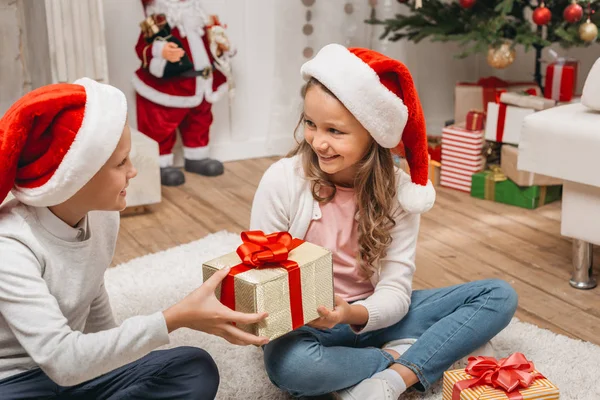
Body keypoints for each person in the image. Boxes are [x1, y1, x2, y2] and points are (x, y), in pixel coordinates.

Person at [249, 44, 518, 399]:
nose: (318, 142)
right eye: (311, 124)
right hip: (309, 327)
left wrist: (351, 313)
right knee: (293, 368)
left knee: (498, 296)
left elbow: (394, 292)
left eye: (335, 131)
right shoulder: (283, 179)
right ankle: (402, 357)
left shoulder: (400, 193)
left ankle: (393, 378)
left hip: (373, 315)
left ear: (373, 134)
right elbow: (261, 272)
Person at [0, 78, 268, 399]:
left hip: (74, 377)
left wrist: (116, 358)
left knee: (193, 367)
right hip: (16, 384)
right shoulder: (11, 247)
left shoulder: (103, 215)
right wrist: (172, 318)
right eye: (120, 163)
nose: (132, 171)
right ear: (76, 177)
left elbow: (91, 288)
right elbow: (64, 361)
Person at [133, 0, 235, 185]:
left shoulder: (200, 19)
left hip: (201, 83)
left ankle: (197, 156)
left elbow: (210, 44)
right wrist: (160, 51)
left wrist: (220, 48)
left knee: (200, 121)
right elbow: (142, 49)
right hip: (170, 87)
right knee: (161, 126)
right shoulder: (158, 22)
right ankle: (160, 163)